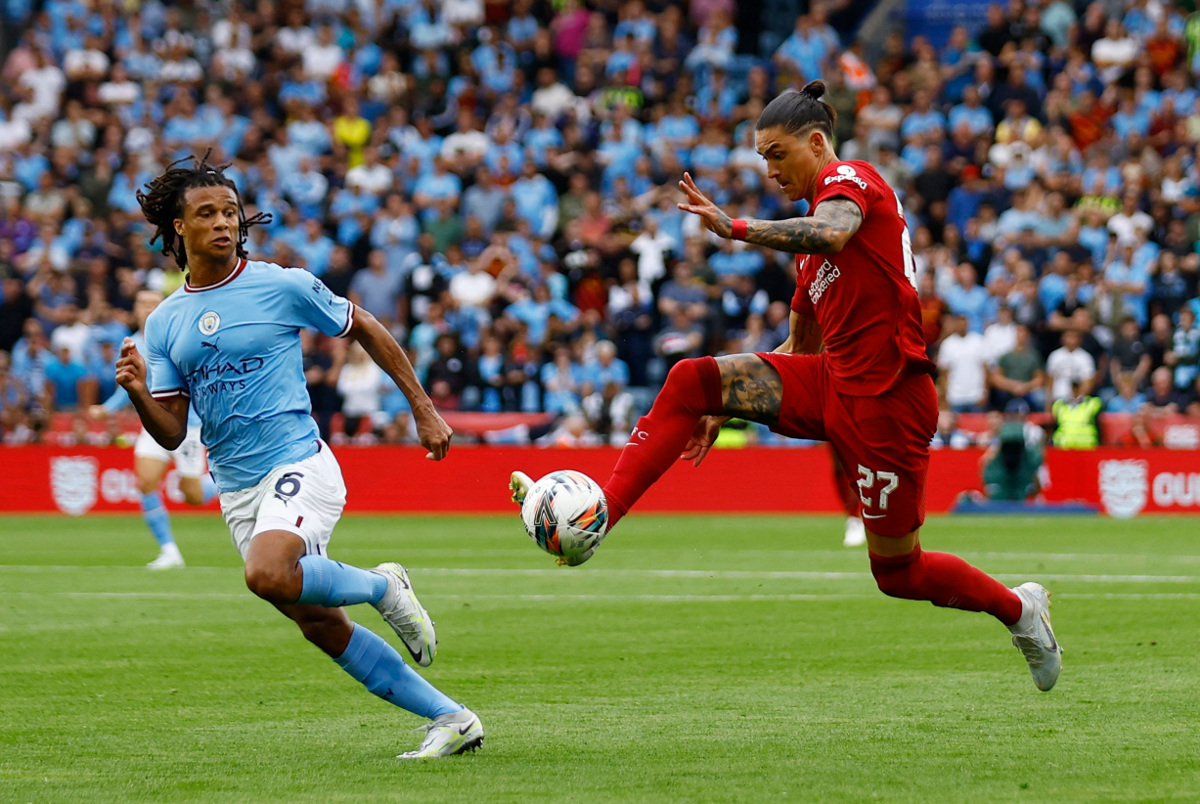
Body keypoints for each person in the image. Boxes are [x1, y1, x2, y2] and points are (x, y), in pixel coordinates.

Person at [511, 84, 1061, 691]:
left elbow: (831, 233)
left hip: (888, 400)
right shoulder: (808, 257)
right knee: (693, 381)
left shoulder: (851, 180)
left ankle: (1019, 609)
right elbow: (799, 346)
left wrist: (735, 227)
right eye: (762, 159)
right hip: (832, 382)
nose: (770, 171)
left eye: (777, 155)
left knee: (899, 574)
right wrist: (727, 406)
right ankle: (599, 517)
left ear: (816, 143)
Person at [118, 155, 482, 758]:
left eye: (230, 212)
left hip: (299, 462)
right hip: (238, 488)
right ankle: (452, 718)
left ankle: (382, 586)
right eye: (206, 214)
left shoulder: (281, 284)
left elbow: (364, 325)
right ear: (178, 227)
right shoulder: (164, 324)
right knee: (317, 623)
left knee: (266, 574)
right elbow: (171, 432)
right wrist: (137, 391)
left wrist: (423, 408)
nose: (223, 223)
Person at [90, 289, 218, 569]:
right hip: (153, 425)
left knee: (193, 497)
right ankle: (169, 552)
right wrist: (107, 409)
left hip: (186, 426)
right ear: (135, 309)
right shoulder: (132, 343)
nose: (147, 308)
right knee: (145, 483)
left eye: (153, 304)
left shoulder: (178, 338)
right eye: (142, 304)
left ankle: (222, 480)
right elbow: (130, 384)